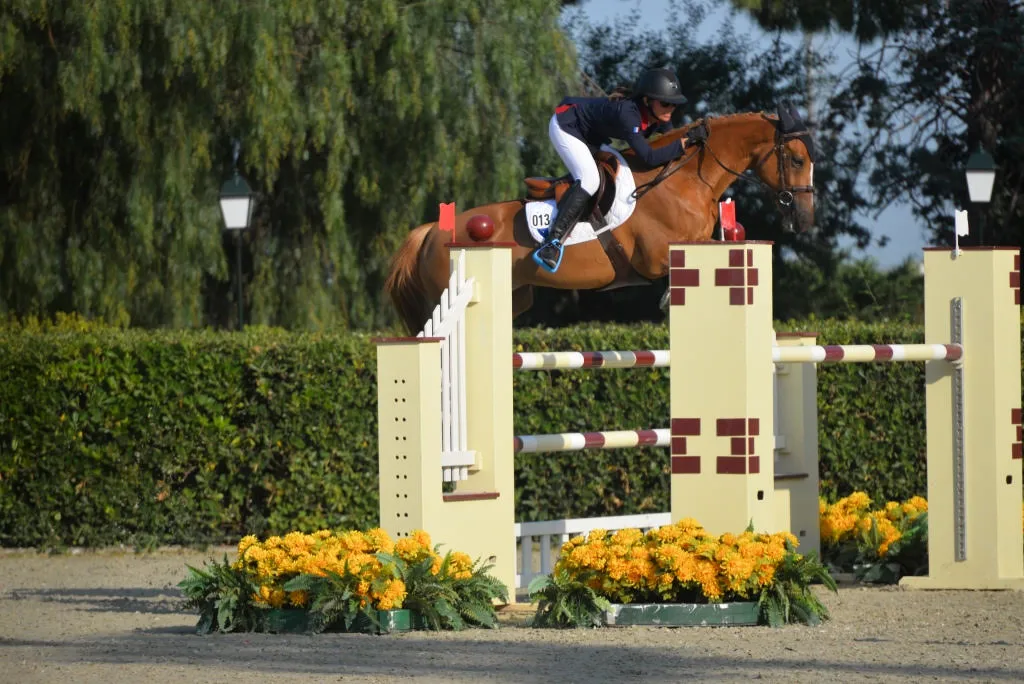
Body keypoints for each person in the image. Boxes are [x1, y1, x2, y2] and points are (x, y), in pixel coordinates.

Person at [532, 67, 709, 273]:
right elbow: (650, 157)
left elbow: (668, 141)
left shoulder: (656, 117)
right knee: (589, 180)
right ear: (646, 101)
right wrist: (684, 143)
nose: (670, 109)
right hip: (567, 127)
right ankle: (551, 243)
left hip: (591, 137)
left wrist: (692, 135)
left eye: (674, 104)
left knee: (614, 168)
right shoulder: (629, 115)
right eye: (665, 103)